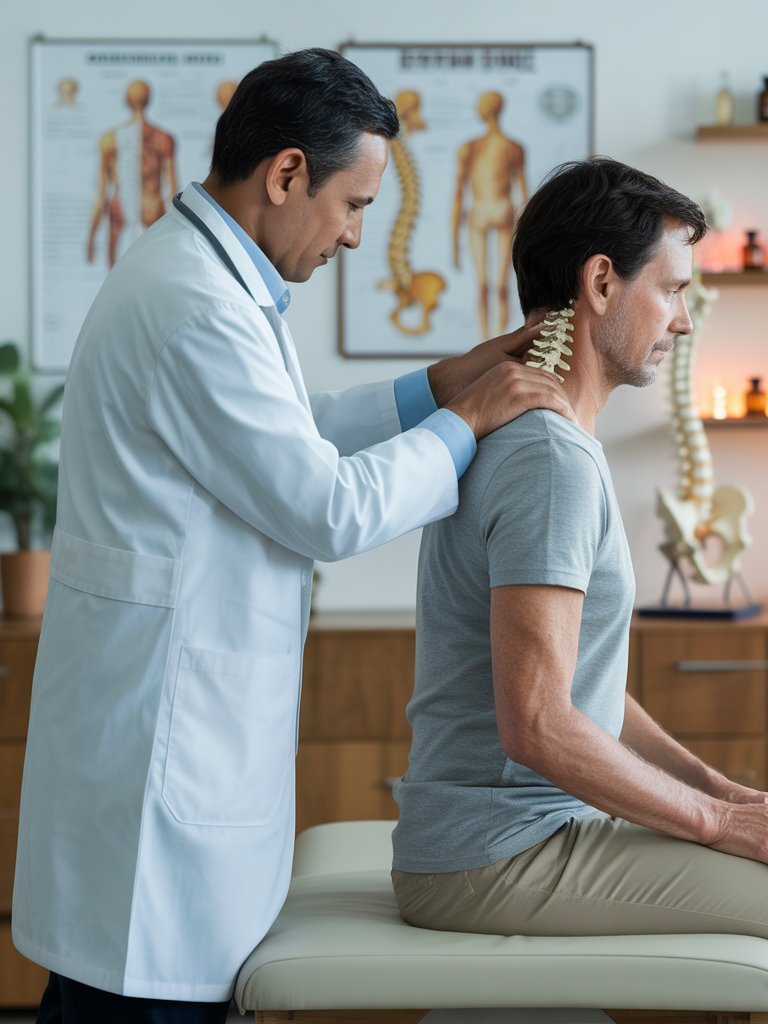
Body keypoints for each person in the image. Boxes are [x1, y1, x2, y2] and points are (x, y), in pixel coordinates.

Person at [14, 48, 571, 1024]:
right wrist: (468, 422)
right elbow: (326, 507)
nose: (357, 236)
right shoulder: (194, 307)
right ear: (284, 174)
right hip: (158, 761)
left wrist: (442, 384)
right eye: (353, 204)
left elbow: (292, 429)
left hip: (166, 731)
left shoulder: (205, 279)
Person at [391, 157, 768, 1024]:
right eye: (672, 292)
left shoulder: (530, 435)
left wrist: (725, 792)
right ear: (599, 283)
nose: (684, 322)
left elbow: (582, 690)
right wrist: (714, 823)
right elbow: (540, 725)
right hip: (497, 856)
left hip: (497, 841)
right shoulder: (548, 459)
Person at [451, 91, 527, 341]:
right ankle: (494, 344)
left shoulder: (471, 148)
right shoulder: (512, 147)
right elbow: (524, 198)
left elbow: (458, 195)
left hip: (482, 211)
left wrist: (455, 243)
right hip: (501, 209)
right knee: (498, 288)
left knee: (486, 288)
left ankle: (487, 344)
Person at [85, 79, 179, 268]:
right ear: (148, 100)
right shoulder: (164, 139)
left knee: (118, 281)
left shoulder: (109, 140)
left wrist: (91, 237)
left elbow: (101, 196)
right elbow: (173, 193)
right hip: (153, 211)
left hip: (121, 215)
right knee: (154, 277)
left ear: (126, 100)